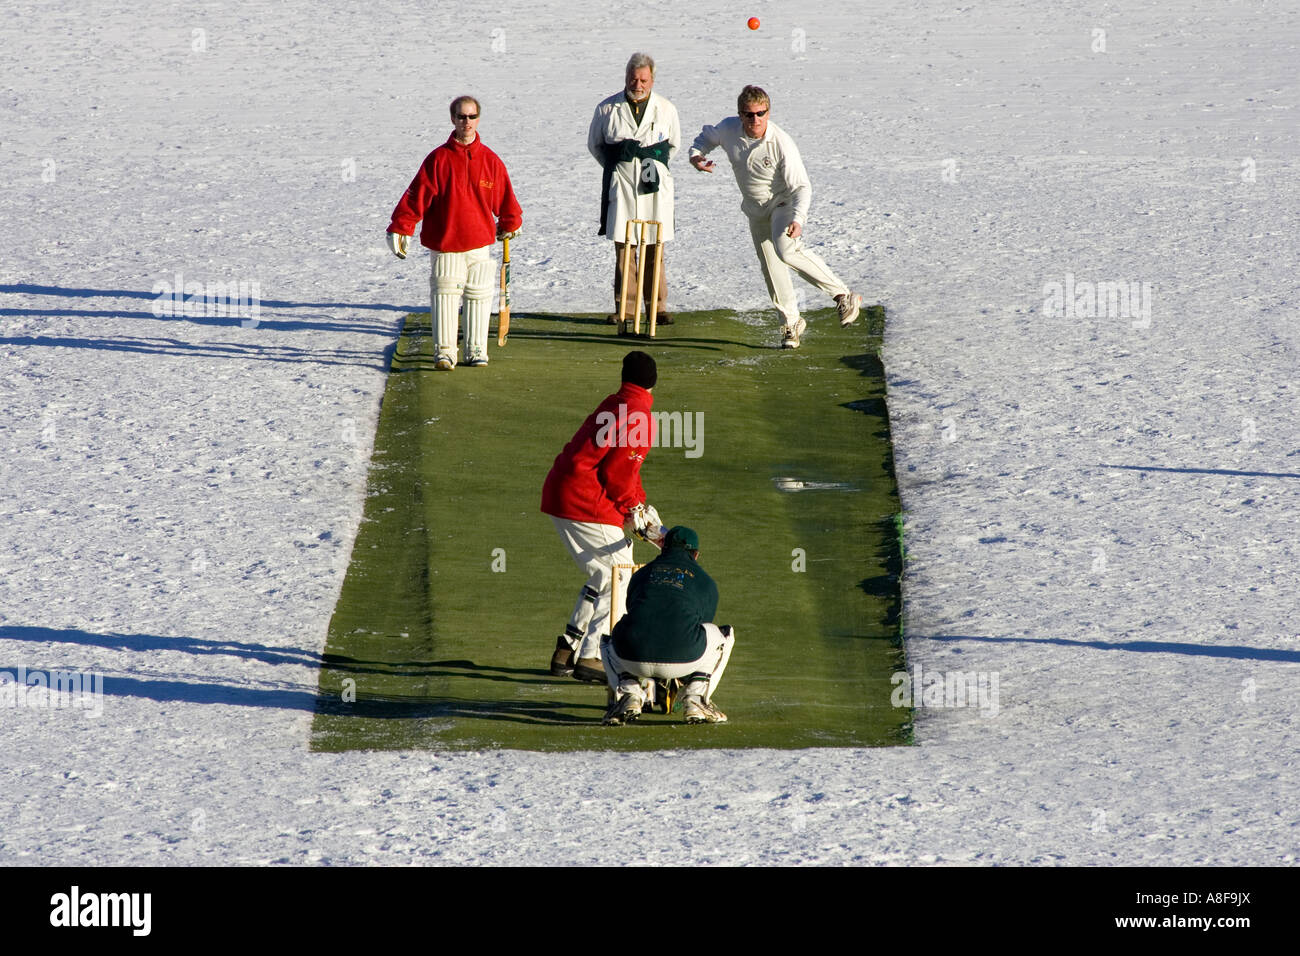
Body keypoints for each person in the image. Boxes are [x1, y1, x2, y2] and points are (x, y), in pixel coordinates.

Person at [689, 85, 862, 349]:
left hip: (783, 203)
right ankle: (791, 322)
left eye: (761, 113)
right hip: (755, 209)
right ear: (740, 114)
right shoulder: (728, 128)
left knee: (787, 250)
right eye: (749, 114)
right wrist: (697, 155)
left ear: (768, 113)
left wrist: (799, 219)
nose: (755, 120)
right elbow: (705, 138)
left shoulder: (781, 143)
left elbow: (802, 186)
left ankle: (843, 294)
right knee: (771, 268)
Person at [541, 351, 664, 683]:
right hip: (585, 500)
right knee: (620, 575)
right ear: (653, 383)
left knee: (601, 575)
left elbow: (624, 469)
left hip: (562, 492)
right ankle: (593, 656)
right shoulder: (640, 415)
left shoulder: (615, 402)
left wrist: (637, 504)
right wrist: (632, 508)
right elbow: (618, 474)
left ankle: (567, 650)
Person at [386, 95, 522, 369]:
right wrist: (402, 226)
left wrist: (510, 223)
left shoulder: (490, 161)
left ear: (478, 119)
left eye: (471, 117)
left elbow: (506, 198)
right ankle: (445, 351)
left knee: (478, 295)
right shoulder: (438, 159)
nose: (466, 122)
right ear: (453, 119)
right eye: (461, 117)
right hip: (446, 241)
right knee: (446, 293)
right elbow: (417, 196)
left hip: (479, 242)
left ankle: (476, 350)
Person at [601, 526, 735, 725]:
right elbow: (701, 625)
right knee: (724, 635)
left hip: (631, 656)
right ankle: (695, 698)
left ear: (662, 547)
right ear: (696, 554)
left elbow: (635, 612)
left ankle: (629, 694)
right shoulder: (705, 581)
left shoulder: (641, 574)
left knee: (608, 641)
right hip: (685, 658)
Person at [588, 53, 681, 325]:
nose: (637, 84)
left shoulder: (666, 108)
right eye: (633, 78)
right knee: (625, 248)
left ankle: (657, 307)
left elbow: (673, 145)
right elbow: (596, 146)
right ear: (626, 76)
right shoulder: (607, 108)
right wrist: (621, 164)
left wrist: (651, 165)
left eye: (643, 79)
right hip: (622, 183)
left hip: (654, 185)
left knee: (654, 245)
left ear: (652, 79)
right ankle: (626, 310)